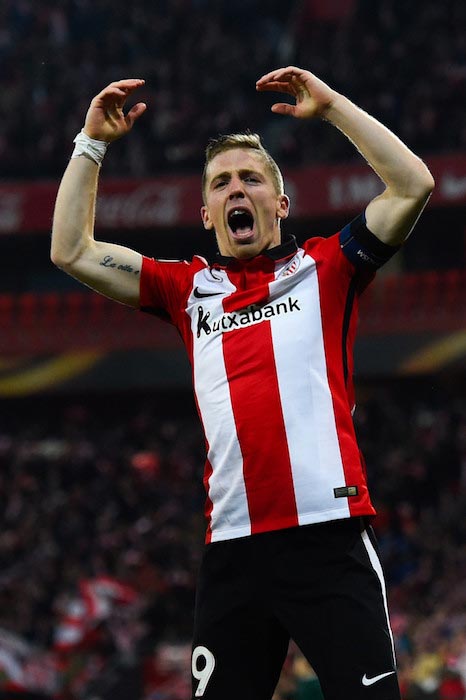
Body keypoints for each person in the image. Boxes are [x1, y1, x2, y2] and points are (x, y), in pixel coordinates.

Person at [51, 66, 434, 700]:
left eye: (252, 179)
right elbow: (72, 251)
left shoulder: (327, 267)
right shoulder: (187, 290)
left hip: (327, 538)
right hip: (233, 549)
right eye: (222, 182)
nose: (238, 189)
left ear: (279, 203)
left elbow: (413, 184)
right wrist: (90, 144)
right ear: (206, 212)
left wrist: (334, 106)